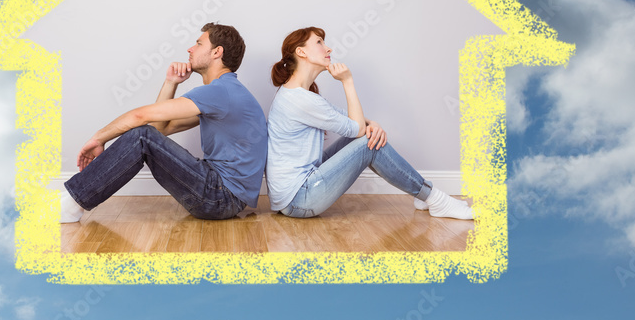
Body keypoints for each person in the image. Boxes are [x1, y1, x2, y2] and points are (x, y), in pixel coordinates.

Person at [61, 22, 267, 223]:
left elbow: (141, 119)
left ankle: (70, 207)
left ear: (217, 52)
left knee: (141, 135)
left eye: (198, 43)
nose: (190, 49)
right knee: (143, 136)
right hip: (224, 196)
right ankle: (71, 202)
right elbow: (160, 129)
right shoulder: (227, 93)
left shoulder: (220, 91)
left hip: (220, 197)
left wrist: (98, 138)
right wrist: (171, 82)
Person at [265, 27, 475, 220]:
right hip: (300, 199)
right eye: (319, 42)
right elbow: (356, 128)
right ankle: (435, 198)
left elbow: (349, 121)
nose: (328, 48)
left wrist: (371, 124)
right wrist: (347, 81)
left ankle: (424, 196)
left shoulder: (298, 94)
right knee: (368, 143)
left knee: (366, 136)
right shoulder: (301, 100)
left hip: (296, 192)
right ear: (301, 52)